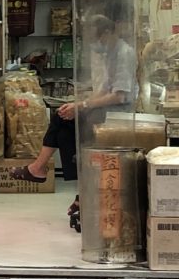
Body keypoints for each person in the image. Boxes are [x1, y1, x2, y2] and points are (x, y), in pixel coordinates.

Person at [9, 13, 138, 216]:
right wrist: (77, 104)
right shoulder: (111, 54)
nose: (95, 44)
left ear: (106, 33)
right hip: (108, 109)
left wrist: (82, 105)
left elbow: (119, 96)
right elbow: (104, 91)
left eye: (96, 38)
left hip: (119, 113)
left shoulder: (123, 53)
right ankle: (72, 187)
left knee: (66, 125)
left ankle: (41, 170)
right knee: (63, 120)